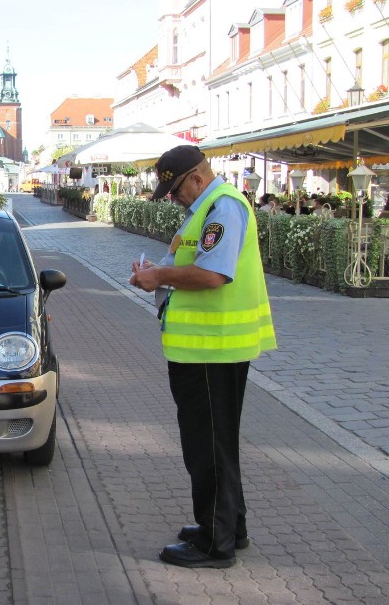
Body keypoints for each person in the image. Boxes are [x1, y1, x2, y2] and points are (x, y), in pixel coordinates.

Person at [129, 145, 277, 569]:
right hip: (207, 348)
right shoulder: (208, 209)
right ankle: (231, 526)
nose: (173, 197)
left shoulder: (223, 207)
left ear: (195, 177)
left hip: (213, 349)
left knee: (207, 447)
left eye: (174, 189)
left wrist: (158, 275)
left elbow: (214, 273)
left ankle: (215, 543)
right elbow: (196, 261)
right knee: (218, 443)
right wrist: (157, 269)